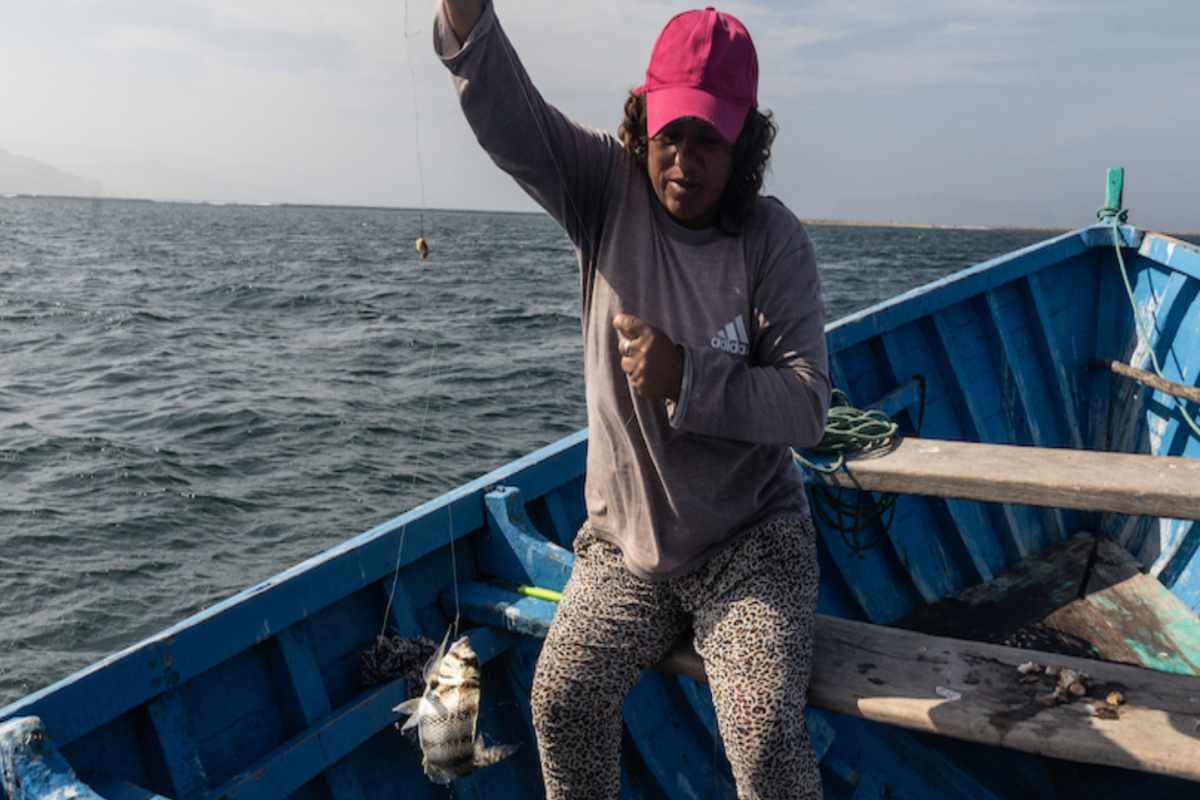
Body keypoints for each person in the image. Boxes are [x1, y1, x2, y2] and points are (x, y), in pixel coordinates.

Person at [434, 2, 831, 798]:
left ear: (745, 143)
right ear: (643, 120)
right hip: (626, 545)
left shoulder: (772, 241)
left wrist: (688, 378)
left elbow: (806, 407)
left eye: (710, 139)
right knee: (560, 699)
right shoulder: (603, 191)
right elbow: (513, 118)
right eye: (672, 131)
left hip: (752, 545)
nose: (685, 159)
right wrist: (464, 16)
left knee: (761, 741)